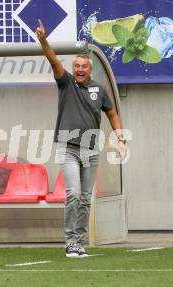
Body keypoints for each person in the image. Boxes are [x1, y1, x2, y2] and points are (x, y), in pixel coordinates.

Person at [36, 19, 127, 257]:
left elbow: (113, 114)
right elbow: (53, 60)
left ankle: (79, 241)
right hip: (68, 147)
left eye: (83, 66)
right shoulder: (66, 83)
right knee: (73, 193)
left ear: (90, 69)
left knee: (86, 198)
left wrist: (120, 139)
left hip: (91, 150)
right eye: (76, 65)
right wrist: (44, 40)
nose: (79, 69)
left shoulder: (99, 89)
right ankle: (70, 241)